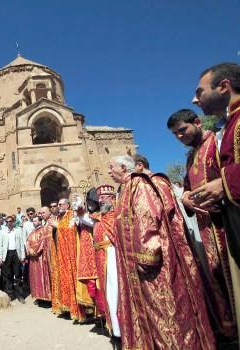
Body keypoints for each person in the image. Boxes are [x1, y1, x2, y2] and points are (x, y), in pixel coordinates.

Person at [108, 155, 215, 349]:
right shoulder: (125, 189)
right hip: (135, 268)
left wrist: (146, 256)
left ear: (123, 167)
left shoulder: (139, 185)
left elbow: (147, 216)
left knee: (164, 312)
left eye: (111, 167)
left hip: (150, 266)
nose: (109, 172)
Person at [168, 108, 236, 341]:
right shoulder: (190, 157)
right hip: (206, 227)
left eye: (182, 130)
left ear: (197, 122)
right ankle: (229, 328)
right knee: (216, 276)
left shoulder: (217, 141)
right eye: (175, 134)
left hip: (227, 222)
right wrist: (185, 198)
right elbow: (186, 188)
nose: (180, 136)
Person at [189, 62, 240, 338]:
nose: (195, 99)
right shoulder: (229, 124)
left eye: (200, 91)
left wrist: (226, 182)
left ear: (224, 86)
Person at [91, 185, 120, 338]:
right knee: (108, 293)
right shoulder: (100, 217)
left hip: (114, 257)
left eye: (104, 197)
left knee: (116, 291)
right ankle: (115, 329)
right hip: (102, 258)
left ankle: (121, 329)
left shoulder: (116, 214)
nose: (101, 200)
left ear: (112, 198)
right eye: (99, 197)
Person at [49, 198, 83, 320]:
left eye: (60, 204)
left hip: (70, 255)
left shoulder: (71, 215)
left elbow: (71, 232)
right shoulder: (60, 217)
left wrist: (58, 226)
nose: (58, 206)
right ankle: (66, 306)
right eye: (57, 205)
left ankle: (76, 309)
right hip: (60, 254)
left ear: (67, 205)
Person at [0, 216, 25, 303]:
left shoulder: (18, 231)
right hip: (7, 254)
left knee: (18, 274)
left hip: (16, 254)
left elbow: (21, 243)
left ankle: (20, 294)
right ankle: (10, 294)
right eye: (7, 221)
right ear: (5, 222)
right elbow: (0, 245)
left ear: (13, 222)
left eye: (11, 221)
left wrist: (22, 255)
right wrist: (0, 257)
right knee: (8, 275)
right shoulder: (3, 232)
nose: (9, 223)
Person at [26, 215, 52, 304]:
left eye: (36, 221)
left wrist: (35, 250)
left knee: (42, 277)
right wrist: (29, 249)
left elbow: (43, 242)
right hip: (33, 259)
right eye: (33, 221)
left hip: (40, 257)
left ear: (40, 221)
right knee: (35, 277)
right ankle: (38, 296)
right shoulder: (32, 232)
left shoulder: (44, 230)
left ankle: (46, 297)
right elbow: (28, 242)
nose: (34, 222)